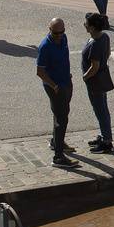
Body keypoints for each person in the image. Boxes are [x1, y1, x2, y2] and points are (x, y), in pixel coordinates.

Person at [37, 17, 78, 167]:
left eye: (62, 32)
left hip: (66, 82)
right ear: (50, 30)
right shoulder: (45, 47)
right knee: (62, 119)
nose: (59, 35)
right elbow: (40, 72)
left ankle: (56, 141)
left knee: (62, 113)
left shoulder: (64, 39)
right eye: (56, 33)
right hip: (55, 87)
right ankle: (58, 157)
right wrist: (54, 86)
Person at [81, 12, 114, 153]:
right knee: (103, 108)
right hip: (102, 78)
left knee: (100, 110)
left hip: (95, 81)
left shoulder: (95, 44)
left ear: (93, 27)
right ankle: (104, 135)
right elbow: (107, 54)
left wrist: (85, 76)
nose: (85, 25)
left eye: (87, 24)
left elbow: (94, 66)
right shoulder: (104, 37)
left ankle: (106, 142)